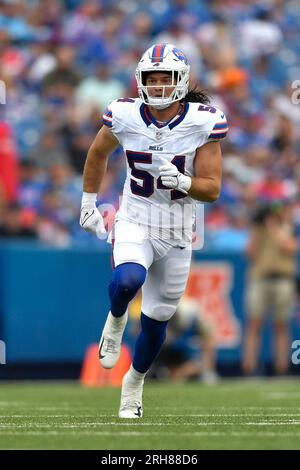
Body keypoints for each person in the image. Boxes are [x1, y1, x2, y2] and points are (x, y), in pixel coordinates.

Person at [79, 43, 227, 418]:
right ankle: (115, 320)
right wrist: (87, 203)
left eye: (166, 79)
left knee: (157, 319)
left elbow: (212, 189)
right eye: (152, 79)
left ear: (181, 81)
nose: (159, 87)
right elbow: (98, 153)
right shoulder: (125, 113)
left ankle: (134, 384)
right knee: (128, 280)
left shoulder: (203, 121)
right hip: (136, 218)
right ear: (141, 81)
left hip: (178, 231)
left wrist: (184, 180)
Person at [242, 203, 297, 375]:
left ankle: (281, 368)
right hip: (259, 278)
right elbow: (249, 253)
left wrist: (273, 228)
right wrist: (257, 230)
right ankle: (248, 368)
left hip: (283, 279)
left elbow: (291, 248)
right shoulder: (259, 230)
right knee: (254, 323)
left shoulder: (288, 227)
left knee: (281, 325)